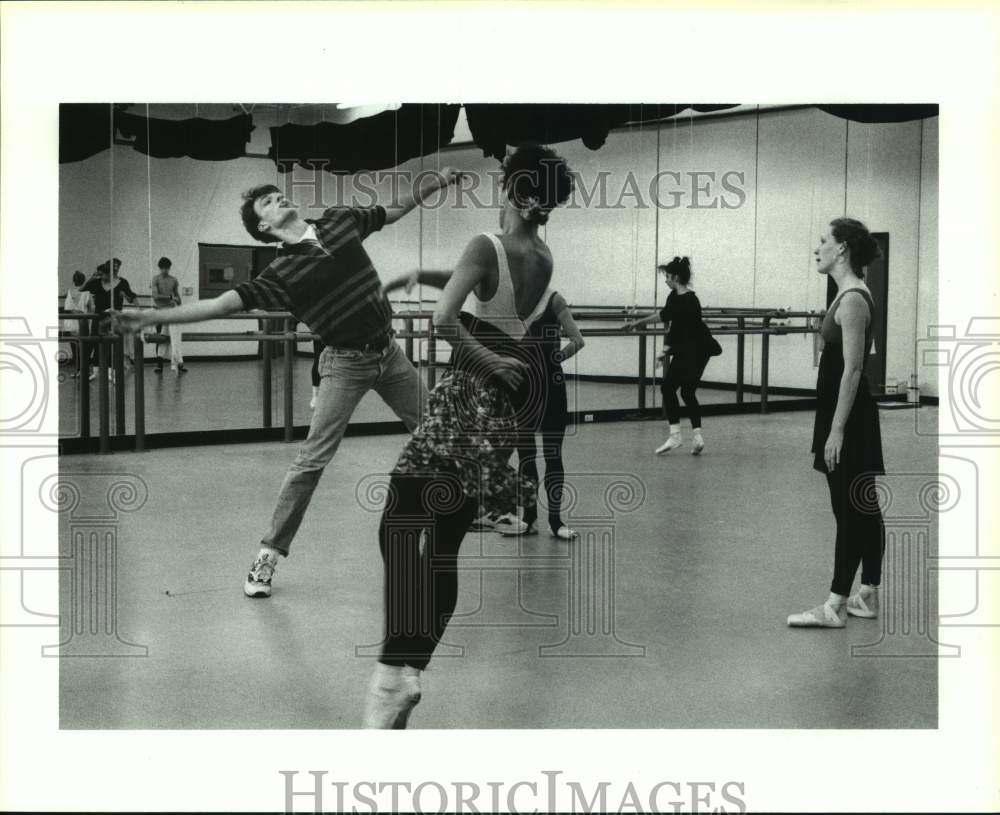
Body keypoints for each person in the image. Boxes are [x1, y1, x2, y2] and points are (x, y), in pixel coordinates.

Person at [114, 169, 464, 597]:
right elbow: (221, 305)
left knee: (441, 432)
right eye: (267, 203)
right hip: (344, 364)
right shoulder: (279, 274)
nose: (278, 199)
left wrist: (438, 181)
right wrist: (153, 316)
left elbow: (394, 208)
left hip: (390, 356)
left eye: (277, 195)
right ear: (263, 227)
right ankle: (268, 554)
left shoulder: (339, 220)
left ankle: (484, 506)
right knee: (311, 462)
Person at [364, 142, 574, 728]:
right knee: (447, 541)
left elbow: (446, 321)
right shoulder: (542, 255)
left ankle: (392, 670)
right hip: (503, 413)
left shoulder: (486, 243)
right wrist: (420, 273)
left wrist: (484, 359)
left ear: (511, 189)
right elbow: (485, 290)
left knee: (400, 520)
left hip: (464, 397)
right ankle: (410, 671)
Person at [787, 217, 886, 628]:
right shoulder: (847, 294)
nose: (817, 248)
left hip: (848, 416)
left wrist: (837, 430)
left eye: (823, 241)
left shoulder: (852, 300)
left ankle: (834, 605)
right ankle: (867, 594)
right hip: (843, 413)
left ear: (842, 248)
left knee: (848, 509)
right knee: (862, 507)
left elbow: (853, 369)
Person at [625, 257, 712, 455]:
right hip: (689, 349)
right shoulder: (674, 296)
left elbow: (684, 331)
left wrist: (666, 351)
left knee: (670, 388)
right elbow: (666, 317)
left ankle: (677, 436)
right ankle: (695, 437)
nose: (665, 280)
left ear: (676, 277)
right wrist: (639, 323)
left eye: (667, 277)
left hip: (697, 350)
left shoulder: (691, 300)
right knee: (686, 391)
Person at [83, 258, 138, 380]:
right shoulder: (98, 282)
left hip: (114, 316)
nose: (116, 269)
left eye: (117, 267)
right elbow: (83, 289)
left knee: (113, 343)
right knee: (97, 341)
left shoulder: (122, 282)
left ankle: (110, 371)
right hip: (99, 315)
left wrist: (136, 307)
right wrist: (92, 277)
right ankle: (96, 370)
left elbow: (131, 296)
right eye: (113, 267)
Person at [151, 256, 187, 373]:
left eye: (167, 268)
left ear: (169, 268)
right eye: (163, 268)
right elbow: (156, 296)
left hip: (171, 312)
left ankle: (179, 363)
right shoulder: (155, 279)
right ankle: (159, 365)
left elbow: (178, 298)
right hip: (159, 312)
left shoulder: (173, 280)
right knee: (161, 338)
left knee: (175, 338)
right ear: (159, 268)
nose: (165, 270)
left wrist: (177, 301)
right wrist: (171, 297)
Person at [61, 271, 94, 379]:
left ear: (73, 281)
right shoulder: (87, 293)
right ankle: (84, 371)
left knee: (75, 349)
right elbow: (91, 309)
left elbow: (67, 307)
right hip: (82, 323)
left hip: (70, 324)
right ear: (83, 280)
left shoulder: (70, 291)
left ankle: (79, 370)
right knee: (83, 349)